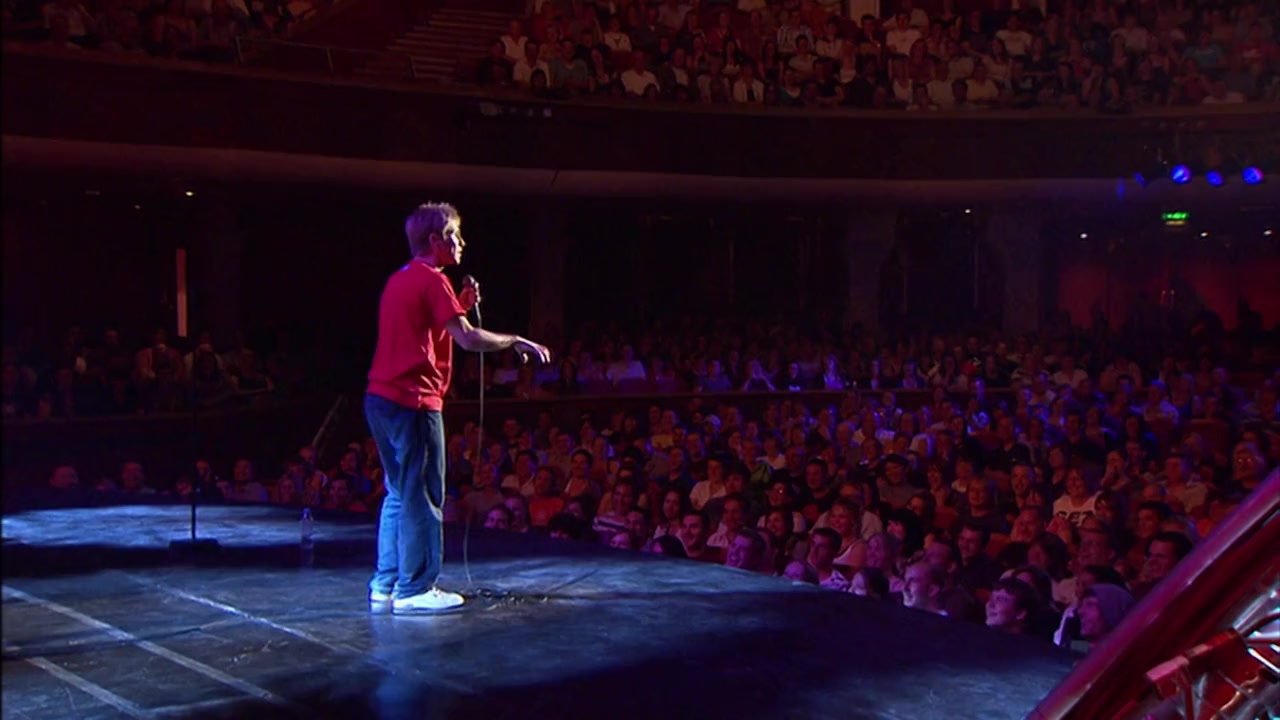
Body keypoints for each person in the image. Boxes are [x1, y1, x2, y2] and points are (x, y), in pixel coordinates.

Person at [365, 203, 551, 614]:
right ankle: (415, 589)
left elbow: (427, 327)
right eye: (455, 235)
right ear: (435, 240)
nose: (462, 242)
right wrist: (513, 340)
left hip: (380, 398)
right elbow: (466, 339)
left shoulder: (401, 279)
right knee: (424, 494)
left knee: (399, 492)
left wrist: (460, 303)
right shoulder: (433, 280)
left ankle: (386, 584)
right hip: (413, 401)